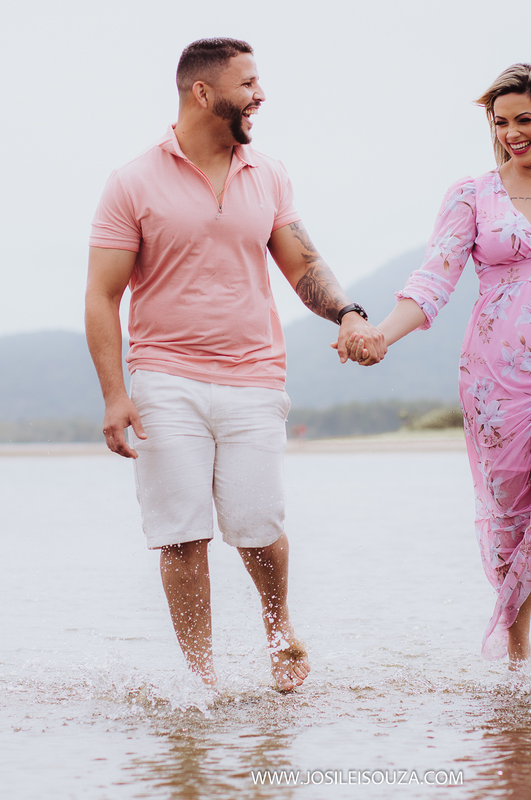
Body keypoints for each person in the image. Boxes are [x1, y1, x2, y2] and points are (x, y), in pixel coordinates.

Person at [84, 37, 386, 692]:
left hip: (254, 376)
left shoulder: (268, 173)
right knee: (182, 534)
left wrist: (350, 314)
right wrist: (115, 394)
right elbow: (102, 295)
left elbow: (303, 264)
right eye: (248, 83)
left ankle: (279, 631)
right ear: (203, 92)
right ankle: (202, 681)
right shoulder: (131, 181)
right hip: (164, 377)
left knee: (257, 525)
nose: (261, 94)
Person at [347, 63, 531, 684]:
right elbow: (434, 280)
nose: (510, 133)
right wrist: (380, 335)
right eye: (499, 122)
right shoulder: (471, 194)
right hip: (497, 380)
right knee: (511, 526)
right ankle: (517, 660)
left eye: (523, 119)